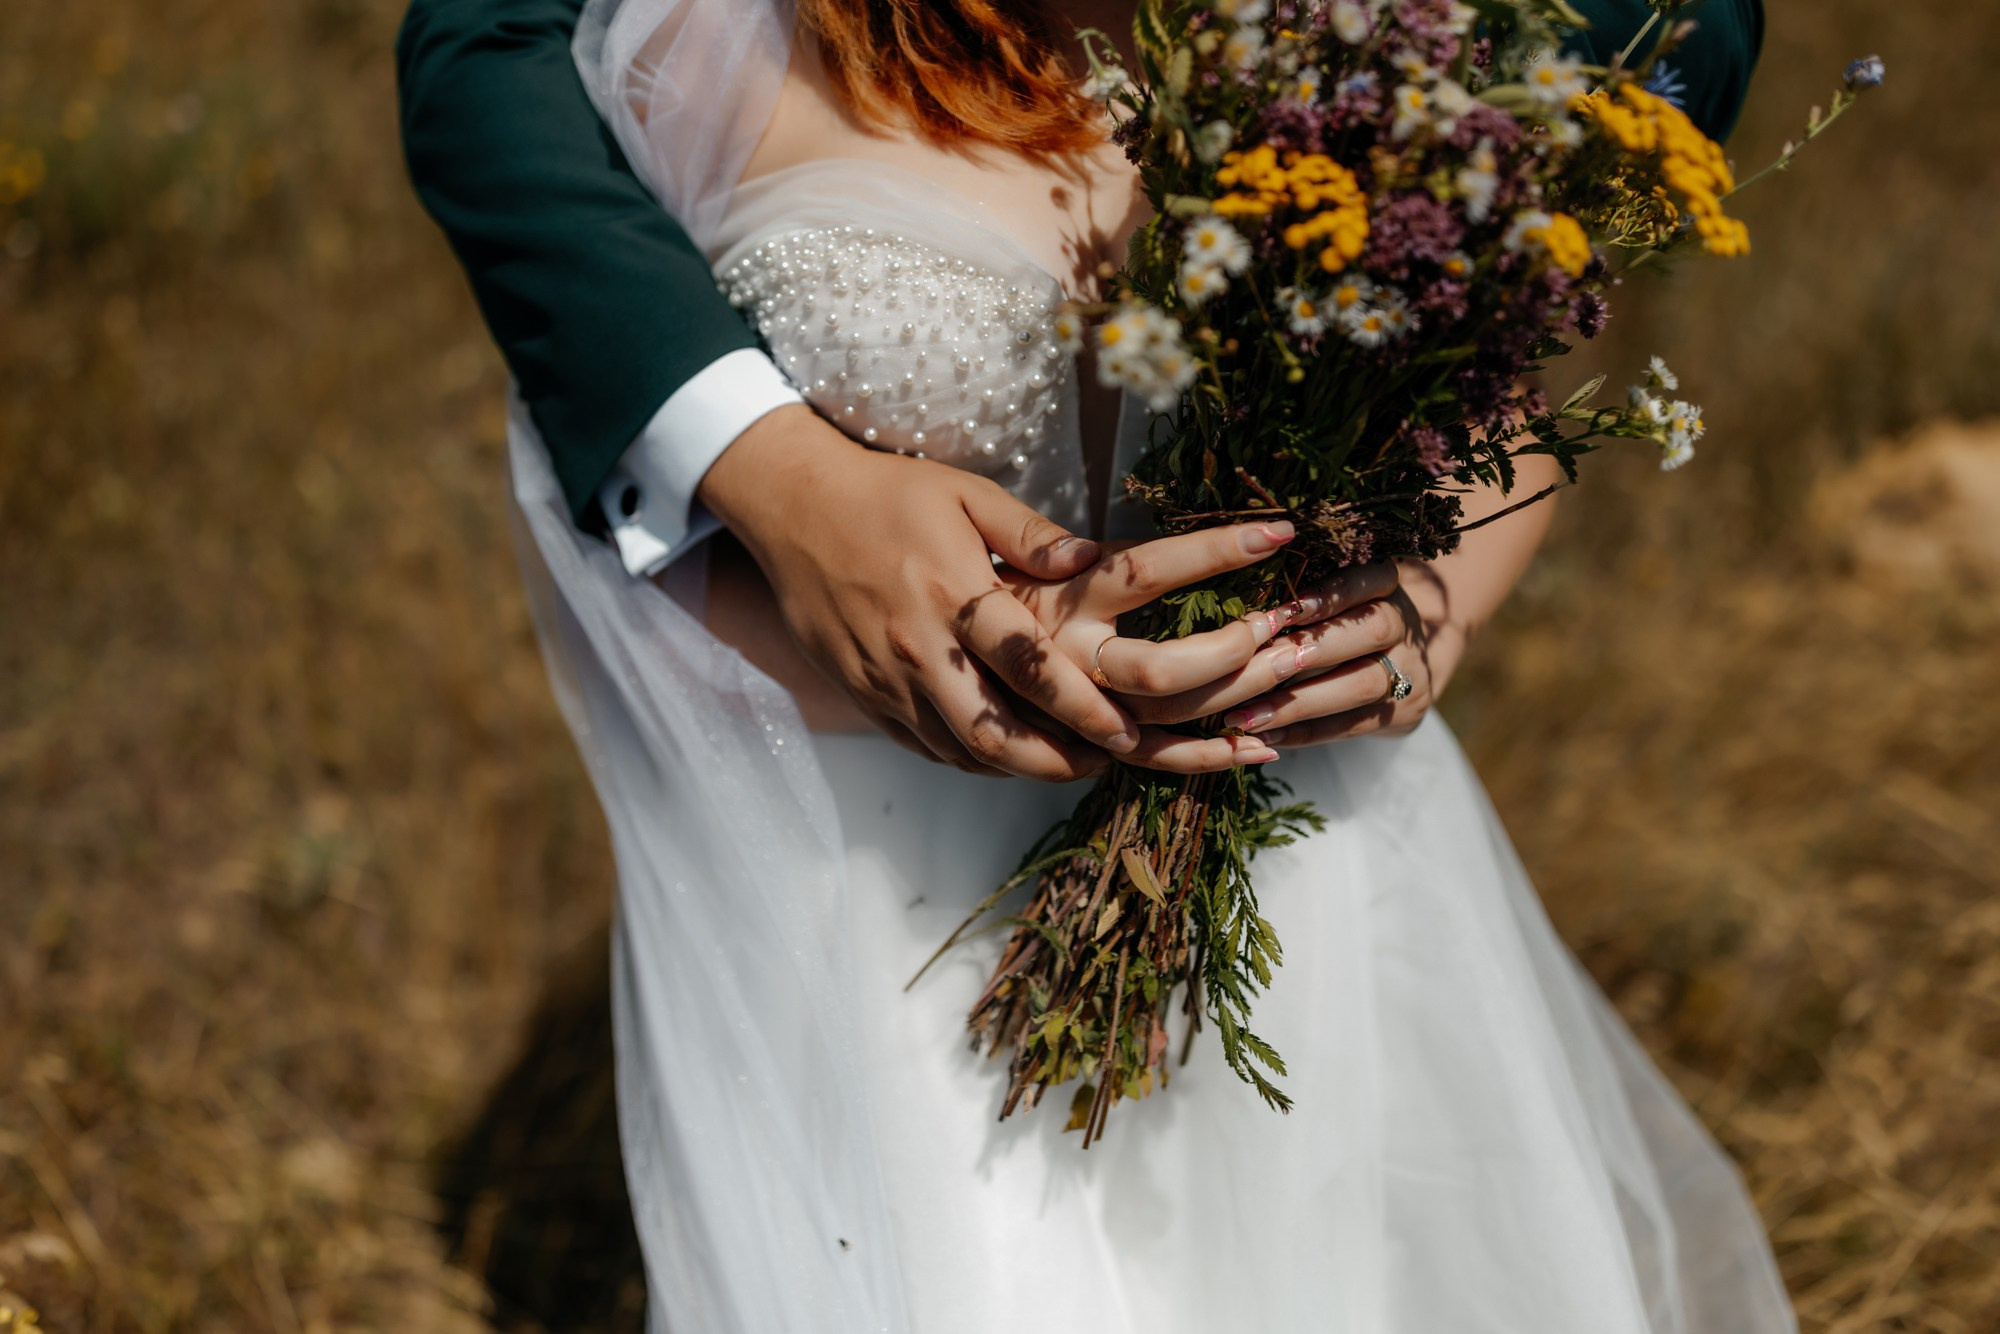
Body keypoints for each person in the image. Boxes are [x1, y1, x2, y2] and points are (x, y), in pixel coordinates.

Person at [399, 1, 1788, 1331]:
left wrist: (1433, 592)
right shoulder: (716, 40)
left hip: (1308, 852)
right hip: (873, 903)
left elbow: (1503, 385)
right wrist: (795, 502)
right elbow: (603, 404)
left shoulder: (1394, 40)